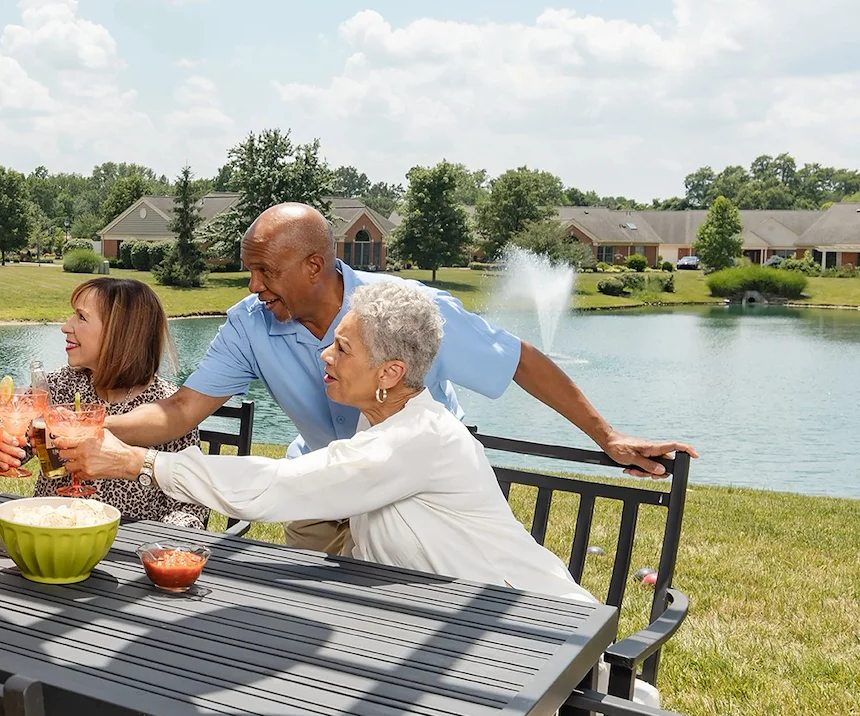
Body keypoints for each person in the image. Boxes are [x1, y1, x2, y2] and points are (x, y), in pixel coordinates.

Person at [106, 203, 698, 554]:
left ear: (315, 265)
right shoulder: (249, 323)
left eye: (265, 271)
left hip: (408, 490)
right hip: (317, 481)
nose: (254, 286)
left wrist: (607, 435)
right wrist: (95, 427)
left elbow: (518, 359)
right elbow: (181, 410)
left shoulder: (401, 310)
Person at [55, 278, 596, 603]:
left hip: (531, 625)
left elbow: (281, 483)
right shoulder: (378, 423)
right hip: (451, 614)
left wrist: (140, 462)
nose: (323, 356)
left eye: (342, 348)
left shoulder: (420, 439)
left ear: (390, 371)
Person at [35, 277, 201, 527]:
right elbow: (1, 454)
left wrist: (160, 545)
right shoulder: (58, 385)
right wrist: (5, 445)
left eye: (81, 317)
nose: (65, 326)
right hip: (48, 538)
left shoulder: (171, 411)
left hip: (130, 554)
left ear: (120, 333)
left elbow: (190, 509)